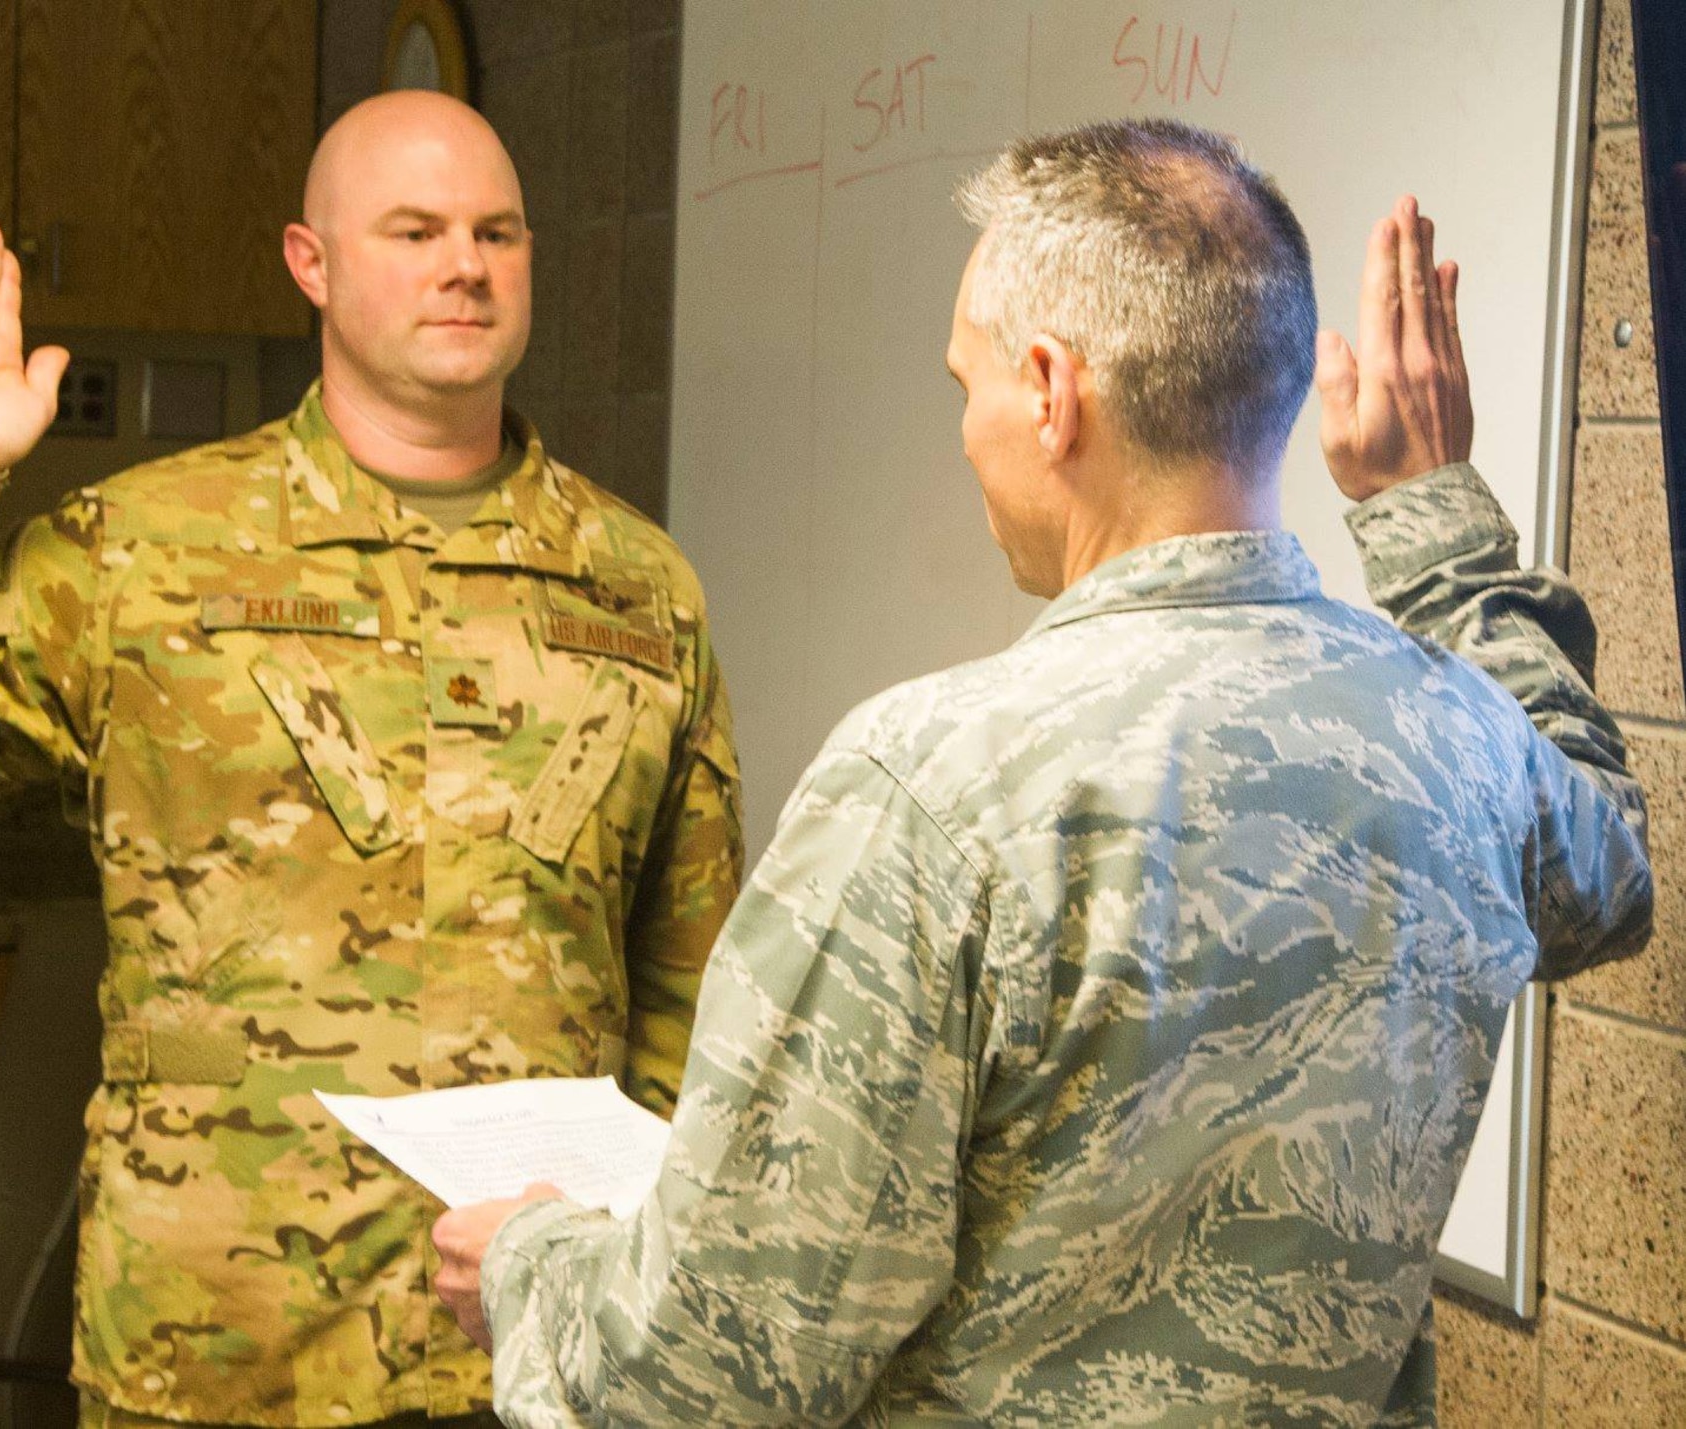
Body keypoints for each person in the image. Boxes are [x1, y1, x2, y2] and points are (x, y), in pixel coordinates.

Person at [429, 120, 1652, 1426]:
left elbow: (698, 1381)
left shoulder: (929, 786)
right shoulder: (1458, 740)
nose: (965, 430)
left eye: (969, 381)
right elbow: (1610, 865)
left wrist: (526, 1258)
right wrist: (1438, 527)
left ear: (1053, 392)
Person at [0, 91, 743, 1428]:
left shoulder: (638, 587)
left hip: (536, 1353)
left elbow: (699, 996)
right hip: (221, 1356)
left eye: (499, 232)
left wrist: (644, 1279)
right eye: (415, 229)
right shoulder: (142, 553)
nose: (466, 263)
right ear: (309, 263)